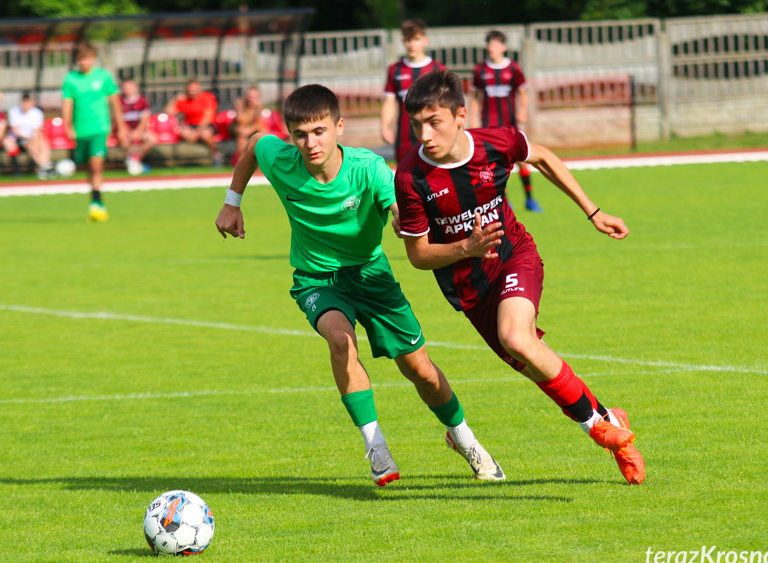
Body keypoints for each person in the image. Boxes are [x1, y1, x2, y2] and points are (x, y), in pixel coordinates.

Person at [215, 84, 505, 486]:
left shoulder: (367, 168)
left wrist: (399, 216)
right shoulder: (281, 159)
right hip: (317, 279)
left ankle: (463, 437)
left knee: (419, 370)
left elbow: (396, 203)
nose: (309, 142)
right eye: (299, 134)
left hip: (372, 276)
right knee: (341, 340)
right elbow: (252, 144)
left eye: (319, 131)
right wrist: (232, 202)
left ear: (339, 127)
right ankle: (376, 447)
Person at [394, 70, 645, 485]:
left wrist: (593, 212)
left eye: (434, 121)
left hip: (514, 256)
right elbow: (418, 256)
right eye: (417, 124)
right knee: (530, 363)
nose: (425, 134)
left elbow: (543, 157)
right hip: (469, 290)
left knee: (517, 338)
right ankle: (605, 415)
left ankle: (602, 433)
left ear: (461, 114)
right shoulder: (410, 177)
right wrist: (465, 249)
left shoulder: (497, 142)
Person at [471, 30, 541, 213]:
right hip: (489, 125)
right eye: (489, 44)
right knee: (496, 163)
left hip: (510, 124)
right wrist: (472, 117)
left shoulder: (513, 68)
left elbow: (522, 93)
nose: (491, 48)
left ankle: (530, 199)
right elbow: (475, 96)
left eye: (495, 44)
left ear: (503, 46)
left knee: (521, 160)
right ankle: (505, 202)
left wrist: (523, 111)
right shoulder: (480, 69)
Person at [61, 42, 127, 222]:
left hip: (100, 128)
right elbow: (67, 104)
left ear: (93, 59)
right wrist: (67, 126)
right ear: (77, 60)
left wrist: (120, 126)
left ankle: (97, 203)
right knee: (87, 167)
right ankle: (94, 199)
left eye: (87, 59)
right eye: (81, 59)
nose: (84, 62)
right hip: (81, 130)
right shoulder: (71, 79)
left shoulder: (102, 76)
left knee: (96, 164)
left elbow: (114, 101)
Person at [381, 19, 445, 165]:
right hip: (404, 138)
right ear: (404, 42)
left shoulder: (438, 69)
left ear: (425, 41)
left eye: (416, 39)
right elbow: (389, 101)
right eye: (408, 40)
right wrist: (385, 126)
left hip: (433, 135)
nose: (412, 44)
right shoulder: (395, 70)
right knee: (405, 181)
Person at [167, 78, 221, 167]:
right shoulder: (184, 99)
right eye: (190, 90)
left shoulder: (207, 97)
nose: (192, 92)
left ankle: (216, 154)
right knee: (183, 133)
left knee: (205, 134)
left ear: (199, 89)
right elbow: (168, 113)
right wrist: (175, 99)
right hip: (191, 126)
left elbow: (207, 118)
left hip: (206, 125)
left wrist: (197, 132)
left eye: (194, 89)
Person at [5, 92, 53, 180]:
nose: (25, 104)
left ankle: (44, 167)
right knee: (31, 146)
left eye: (27, 102)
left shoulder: (37, 113)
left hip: (33, 138)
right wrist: (30, 139)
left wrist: (34, 139)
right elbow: (16, 131)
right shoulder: (14, 111)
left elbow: (37, 131)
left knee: (43, 143)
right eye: (24, 102)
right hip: (18, 138)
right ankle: (46, 167)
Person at [116, 78, 155, 175]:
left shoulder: (142, 101)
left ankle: (135, 158)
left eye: (129, 87)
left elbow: (144, 119)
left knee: (152, 139)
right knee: (123, 140)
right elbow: (118, 119)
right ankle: (133, 161)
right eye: (125, 87)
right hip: (125, 131)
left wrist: (138, 132)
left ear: (135, 87)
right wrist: (126, 131)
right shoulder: (119, 101)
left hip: (139, 131)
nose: (127, 89)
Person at [233, 85, 266, 161]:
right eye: (250, 96)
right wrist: (251, 108)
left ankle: (261, 159)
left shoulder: (259, 105)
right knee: (241, 133)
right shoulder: (240, 103)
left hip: (250, 128)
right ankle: (242, 160)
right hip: (237, 128)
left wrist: (250, 129)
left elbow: (260, 123)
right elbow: (241, 121)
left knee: (263, 132)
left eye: (254, 97)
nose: (251, 99)